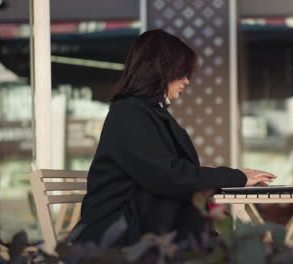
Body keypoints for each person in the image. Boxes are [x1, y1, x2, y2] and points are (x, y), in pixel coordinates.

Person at [68, 29, 276, 247]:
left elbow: (172, 174)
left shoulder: (146, 112)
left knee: (235, 247)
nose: (187, 81)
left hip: (140, 227)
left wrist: (236, 176)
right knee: (241, 248)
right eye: (182, 73)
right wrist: (235, 178)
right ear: (160, 70)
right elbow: (169, 176)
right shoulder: (129, 113)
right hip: (122, 235)